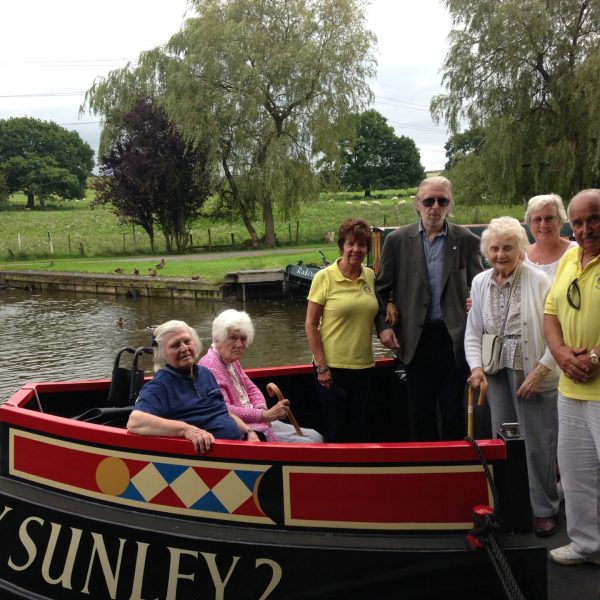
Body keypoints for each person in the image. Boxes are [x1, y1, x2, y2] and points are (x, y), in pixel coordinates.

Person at [465, 216, 560, 537]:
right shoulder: (480, 283)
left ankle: (544, 509)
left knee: (537, 443)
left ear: (521, 250)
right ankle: (508, 504)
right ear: (485, 251)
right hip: (496, 372)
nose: (500, 254)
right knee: (501, 441)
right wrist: (476, 367)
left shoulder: (539, 281)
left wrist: (542, 370)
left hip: (531, 370)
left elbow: (557, 333)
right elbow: (473, 332)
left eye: (508, 247)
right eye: (494, 248)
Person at [375, 176, 483, 441]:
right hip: (414, 339)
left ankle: (454, 471)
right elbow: (380, 288)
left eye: (442, 201)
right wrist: (384, 327)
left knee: (452, 413)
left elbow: (481, 285)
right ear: (417, 204)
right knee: (420, 412)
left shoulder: (466, 240)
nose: (435, 207)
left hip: (453, 339)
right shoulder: (397, 240)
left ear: (450, 204)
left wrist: (475, 305)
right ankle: (425, 473)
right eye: (429, 201)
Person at [543, 189, 600, 565]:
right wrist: (562, 354)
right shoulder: (568, 260)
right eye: (577, 222)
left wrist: (594, 357)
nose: (584, 229)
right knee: (577, 472)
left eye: (593, 219)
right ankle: (587, 544)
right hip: (570, 387)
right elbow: (550, 313)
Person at [127, 320, 260, 454]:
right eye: (175, 345)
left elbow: (224, 412)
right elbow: (135, 422)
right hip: (213, 462)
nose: (184, 348)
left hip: (240, 448)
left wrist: (249, 431)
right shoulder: (159, 385)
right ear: (163, 353)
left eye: (187, 341)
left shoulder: (205, 373)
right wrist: (187, 430)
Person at [200, 309, 323, 443]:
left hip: (257, 420)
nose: (240, 345)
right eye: (233, 338)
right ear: (218, 338)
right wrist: (264, 416)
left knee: (316, 436)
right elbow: (225, 410)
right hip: (244, 429)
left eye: (243, 339)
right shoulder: (210, 366)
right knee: (311, 442)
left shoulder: (231, 361)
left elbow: (252, 389)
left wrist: (262, 410)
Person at [305, 218, 378, 442]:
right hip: (332, 370)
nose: (356, 249)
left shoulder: (370, 276)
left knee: (361, 430)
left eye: (362, 245)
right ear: (342, 246)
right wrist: (322, 366)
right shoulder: (324, 277)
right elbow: (310, 323)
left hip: (364, 367)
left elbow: (381, 306)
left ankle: (361, 477)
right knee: (335, 431)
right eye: (350, 244)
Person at [524, 193, 577, 279]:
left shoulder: (577, 253)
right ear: (530, 223)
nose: (543, 225)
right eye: (537, 219)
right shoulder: (521, 257)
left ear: (560, 221)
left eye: (549, 218)